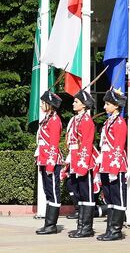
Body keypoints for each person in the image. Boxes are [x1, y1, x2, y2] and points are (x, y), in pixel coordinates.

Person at [96, 88, 127, 241]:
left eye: (107, 104)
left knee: (117, 197)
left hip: (115, 164)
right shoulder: (109, 121)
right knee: (109, 196)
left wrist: (114, 167)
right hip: (106, 162)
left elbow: (118, 146)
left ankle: (116, 231)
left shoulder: (120, 122)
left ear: (116, 106)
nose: (104, 107)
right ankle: (110, 229)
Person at [65, 90, 96, 238]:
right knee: (80, 194)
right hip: (75, 160)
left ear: (83, 105)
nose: (73, 103)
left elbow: (86, 143)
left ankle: (87, 228)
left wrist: (82, 164)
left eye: (76, 102)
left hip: (83, 162)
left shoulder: (86, 120)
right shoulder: (76, 119)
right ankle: (81, 226)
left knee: (86, 194)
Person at [34, 90, 63, 235]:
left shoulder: (54, 120)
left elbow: (53, 144)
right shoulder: (47, 119)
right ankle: (48, 223)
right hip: (44, 159)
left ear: (49, 105)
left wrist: (50, 164)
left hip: (51, 160)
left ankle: (51, 224)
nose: (40, 105)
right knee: (48, 192)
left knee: (53, 192)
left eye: (43, 103)